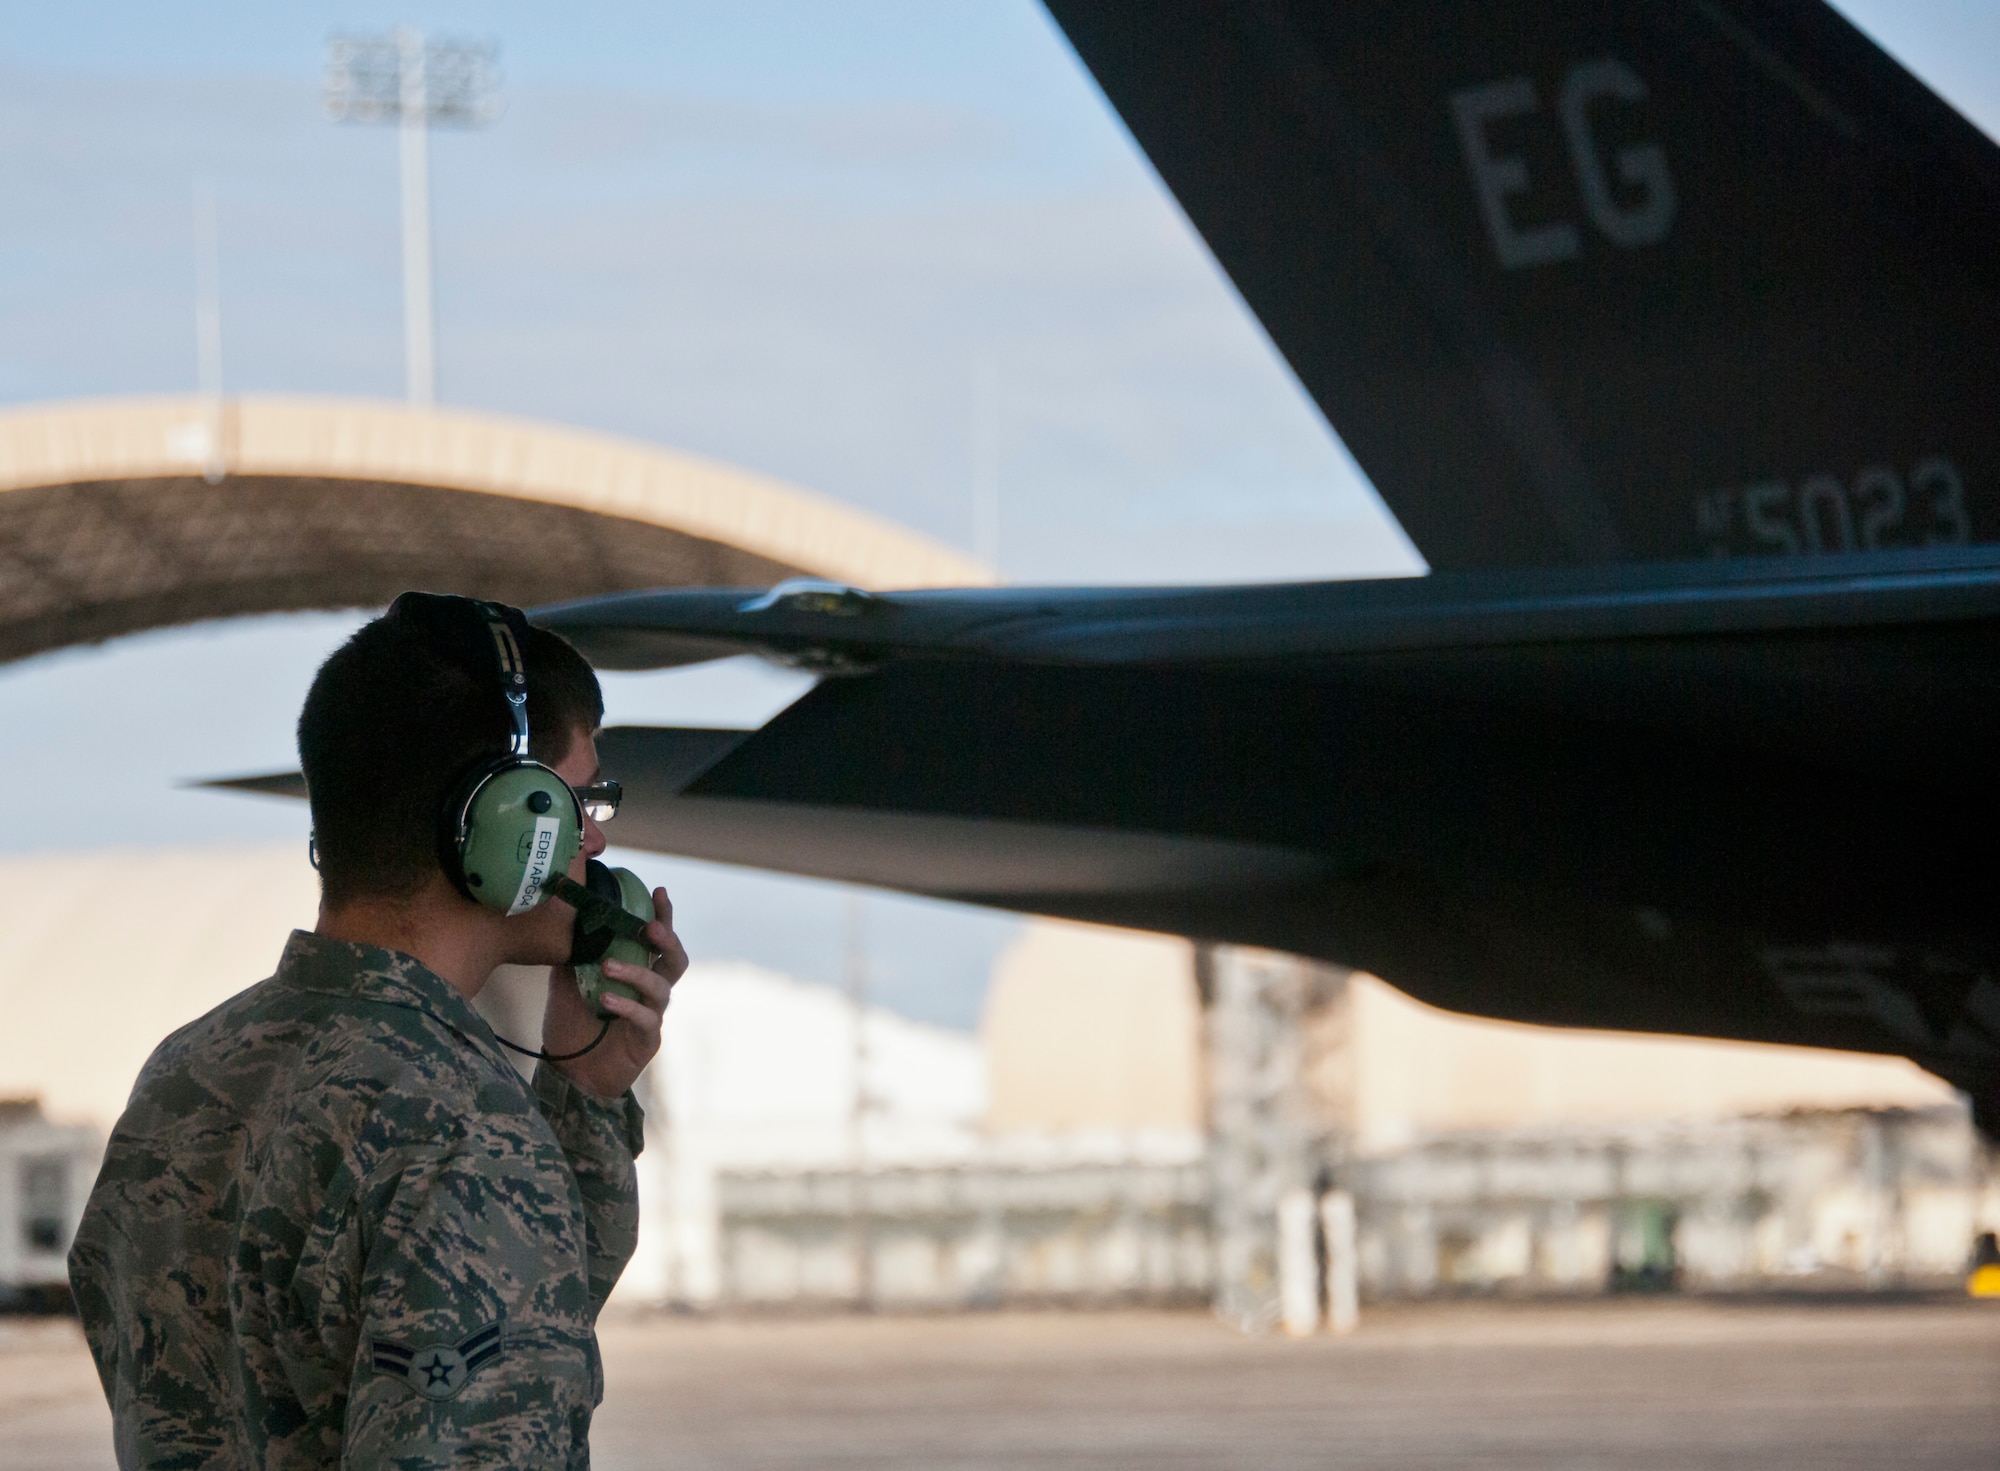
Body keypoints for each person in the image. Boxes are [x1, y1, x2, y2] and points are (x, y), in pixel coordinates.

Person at [68, 592, 687, 1469]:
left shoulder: (187, 1073)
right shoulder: (463, 1131)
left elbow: (489, 1333)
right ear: (502, 822)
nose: (593, 838)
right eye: (578, 800)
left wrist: (582, 1092)